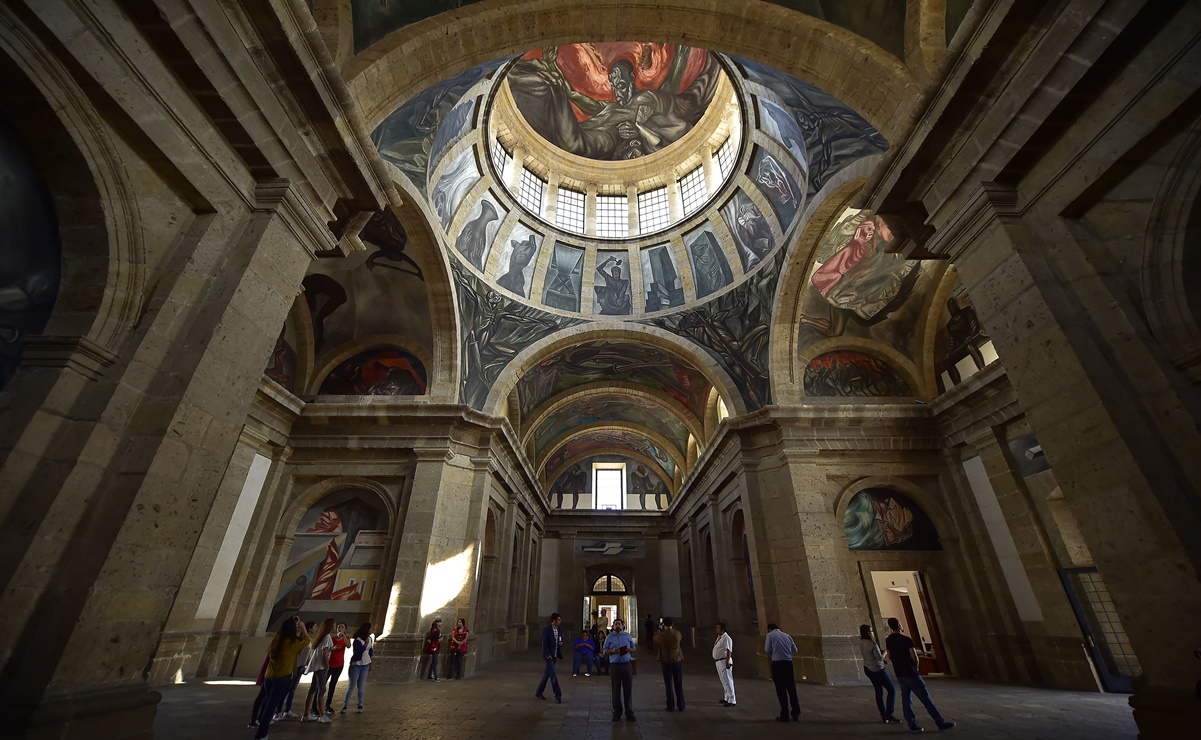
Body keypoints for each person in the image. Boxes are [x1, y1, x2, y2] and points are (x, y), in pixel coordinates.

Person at [884, 617, 955, 733]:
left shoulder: (889, 640)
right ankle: (940, 722)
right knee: (926, 698)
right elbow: (914, 656)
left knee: (906, 700)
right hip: (911, 673)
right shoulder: (906, 639)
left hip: (900, 674)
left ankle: (912, 724)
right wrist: (915, 667)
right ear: (899, 625)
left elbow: (889, 656)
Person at [253, 617, 310, 740]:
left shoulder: (277, 640)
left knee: (268, 703)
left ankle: (260, 728)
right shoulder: (291, 643)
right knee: (271, 707)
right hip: (281, 678)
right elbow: (307, 641)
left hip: (269, 677)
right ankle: (261, 734)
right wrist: (303, 627)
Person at [860, 624, 900, 724]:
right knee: (892, 690)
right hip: (877, 669)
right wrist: (885, 652)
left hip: (867, 668)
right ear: (868, 633)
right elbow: (879, 658)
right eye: (871, 631)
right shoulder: (872, 644)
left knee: (879, 692)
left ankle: (883, 714)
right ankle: (889, 714)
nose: (872, 632)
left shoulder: (861, 642)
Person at [276, 620, 316, 721]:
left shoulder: (306, 638)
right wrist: (295, 668)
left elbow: (307, 653)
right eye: (314, 627)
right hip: (295, 666)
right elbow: (296, 654)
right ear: (309, 628)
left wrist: (306, 665)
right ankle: (277, 712)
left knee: (292, 689)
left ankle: (287, 710)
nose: (315, 629)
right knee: (286, 689)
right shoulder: (300, 638)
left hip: (301, 666)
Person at [301, 617, 335, 723]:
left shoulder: (322, 636)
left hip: (317, 666)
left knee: (312, 689)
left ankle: (306, 714)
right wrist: (327, 666)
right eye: (334, 624)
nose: (335, 626)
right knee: (321, 690)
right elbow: (324, 653)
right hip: (321, 667)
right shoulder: (328, 637)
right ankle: (322, 715)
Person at [765, 622, 800, 722]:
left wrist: (774, 655)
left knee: (781, 690)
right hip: (788, 664)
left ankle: (785, 714)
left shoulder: (770, 635)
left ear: (769, 629)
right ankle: (796, 712)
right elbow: (795, 650)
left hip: (778, 664)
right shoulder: (787, 635)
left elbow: (767, 649)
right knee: (791, 689)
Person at [603, 618, 637, 721]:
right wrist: (613, 650)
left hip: (626, 665)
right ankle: (617, 712)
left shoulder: (627, 636)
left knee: (628, 689)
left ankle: (629, 712)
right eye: (615, 624)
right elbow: (605, 651)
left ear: (623, 625)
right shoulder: (609, 637)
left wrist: (629, 649)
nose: (617, 626)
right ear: (613, 627)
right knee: (615, 689)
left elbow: (633, 647)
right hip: (615, 666)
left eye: (619, 624)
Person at [340, 623, 374, 714]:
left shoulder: (370, 639)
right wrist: (366, 643)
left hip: (365, 664)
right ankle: (345, 705)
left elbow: (370, 651)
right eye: (370, 628)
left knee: (361, 686)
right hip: (356, 664)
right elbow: (360, 651)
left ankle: (360, 704)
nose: (372, 630)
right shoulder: (357, 640)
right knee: (352, 685)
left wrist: (371, 662)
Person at [655, 616, 685, 711]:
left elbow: (655, 637)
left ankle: (670, 706)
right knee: (678, 683)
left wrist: (659, 629)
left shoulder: (662, 635)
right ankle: (681, 705)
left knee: (668, 685)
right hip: (677, 661)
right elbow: (679, 637)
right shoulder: (677, 634)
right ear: (672, 624)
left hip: (666, 661)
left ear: (663, 625)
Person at [535, 613, 563, 703]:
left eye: (560, 620)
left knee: (547, 674)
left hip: (554, 655)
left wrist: (561, 642)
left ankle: (539, 692)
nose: (559, 621)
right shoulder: (547, 630)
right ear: (553, 620)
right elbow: (544, 643)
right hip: (549, 656)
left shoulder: (559, 630)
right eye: (558, 620)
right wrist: (547, 654)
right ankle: (558, 695)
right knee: (553, 675)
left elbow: (560, 638)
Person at [323, 622, 348, 714]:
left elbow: (348, 645)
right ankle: (316, 706)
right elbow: (327, 649)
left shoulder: (346, 638)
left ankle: (328, 705)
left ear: (345, 629)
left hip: (339, 665)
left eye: (342, 627)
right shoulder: (332, 639)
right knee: (322, 685)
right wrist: (333, 648)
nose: (340, 628)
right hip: (329, 664)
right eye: (338, 627)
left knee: (332, 685)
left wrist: (344, 636)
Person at [713, 622, 736, 707]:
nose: (716, 629)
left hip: (724, 661)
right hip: (718, 661)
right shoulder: (720, 638)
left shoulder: (726, 638)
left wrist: (727, 662)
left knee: (728, 681)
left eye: (718, 628)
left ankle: (732, 700)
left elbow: (729, 650)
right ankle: (727, 697)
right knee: (723, 680)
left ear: (722, 629)